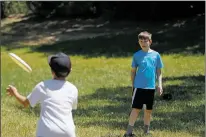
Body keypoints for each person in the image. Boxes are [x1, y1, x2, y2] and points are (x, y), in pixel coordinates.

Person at [6, 52, 78, 137]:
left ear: (52, 71)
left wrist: (15, 92)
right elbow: (72, 107)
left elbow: (25, 103)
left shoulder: (43, 86)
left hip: (46, 132)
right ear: (70, 71)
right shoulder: (73, 89)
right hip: (67, 132)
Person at [123, 31, 164, 137]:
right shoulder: (137, 55)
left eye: (145, 41)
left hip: (150, 87)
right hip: (139, 87)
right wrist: (133, 85)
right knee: (136, 109)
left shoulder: (156, 55)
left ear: (150, 41)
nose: (143, 43)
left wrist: (160, 85)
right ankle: (128, 133)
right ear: (139, 42)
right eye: (141, 41)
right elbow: (133, 71)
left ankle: (146, 132)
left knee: (148, 110)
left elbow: (159, 72)